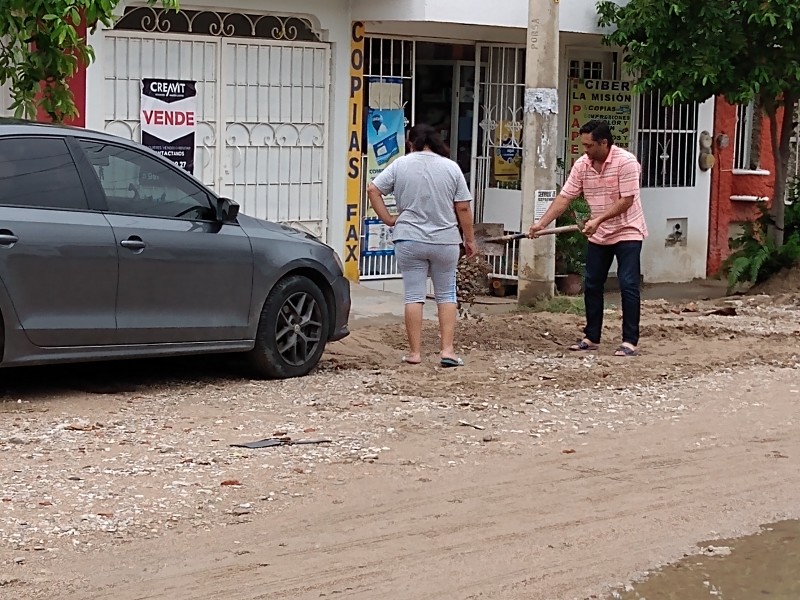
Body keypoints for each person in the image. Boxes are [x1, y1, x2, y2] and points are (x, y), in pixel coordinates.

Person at [529, 119, 648, 357]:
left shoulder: (626, 163)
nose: (585, 151)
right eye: (583, 145)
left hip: (628, 230)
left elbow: (627, 201)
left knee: (627, 283)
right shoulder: (583, 165)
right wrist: (542, 223)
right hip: (599, 234)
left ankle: (629, 341)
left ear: (604, 143)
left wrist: (598, 220)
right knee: (592, 283)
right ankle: (592, 337)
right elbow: (565, 197)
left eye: (589, 145)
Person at [367, 123, 477, 368]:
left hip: (409, 239)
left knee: (414, 296)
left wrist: (388, 218)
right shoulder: (451, 168)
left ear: (410, 143)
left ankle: (415, 353)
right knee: (446, 294)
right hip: (445, 240)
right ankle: (447, 350)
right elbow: (462, 207)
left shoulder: (400, 165)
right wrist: (469, 239)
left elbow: (373, 189)